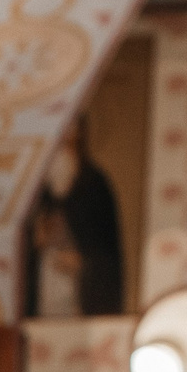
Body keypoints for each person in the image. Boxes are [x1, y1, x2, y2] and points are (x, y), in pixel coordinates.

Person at [24, 117, 125, 317]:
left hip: (81, 286)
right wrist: (36, 242)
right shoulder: (35, 184)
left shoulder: (94, 183)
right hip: (46, 274)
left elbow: (108, 249)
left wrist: (85, 263)